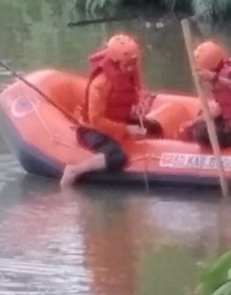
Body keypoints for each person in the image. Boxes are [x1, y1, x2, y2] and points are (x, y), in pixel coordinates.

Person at [60, 34, 163, 186]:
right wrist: (126, 129)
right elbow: (96, 120)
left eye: (134, 63)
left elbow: (137, 89)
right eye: (127, 65)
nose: (132, 68)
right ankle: (75, 170)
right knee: (116, 157)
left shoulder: (131, 69)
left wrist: (141, 104)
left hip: (119, 118)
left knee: (154, 128)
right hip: (92, 128)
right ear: (115, 62)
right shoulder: (100, 84)